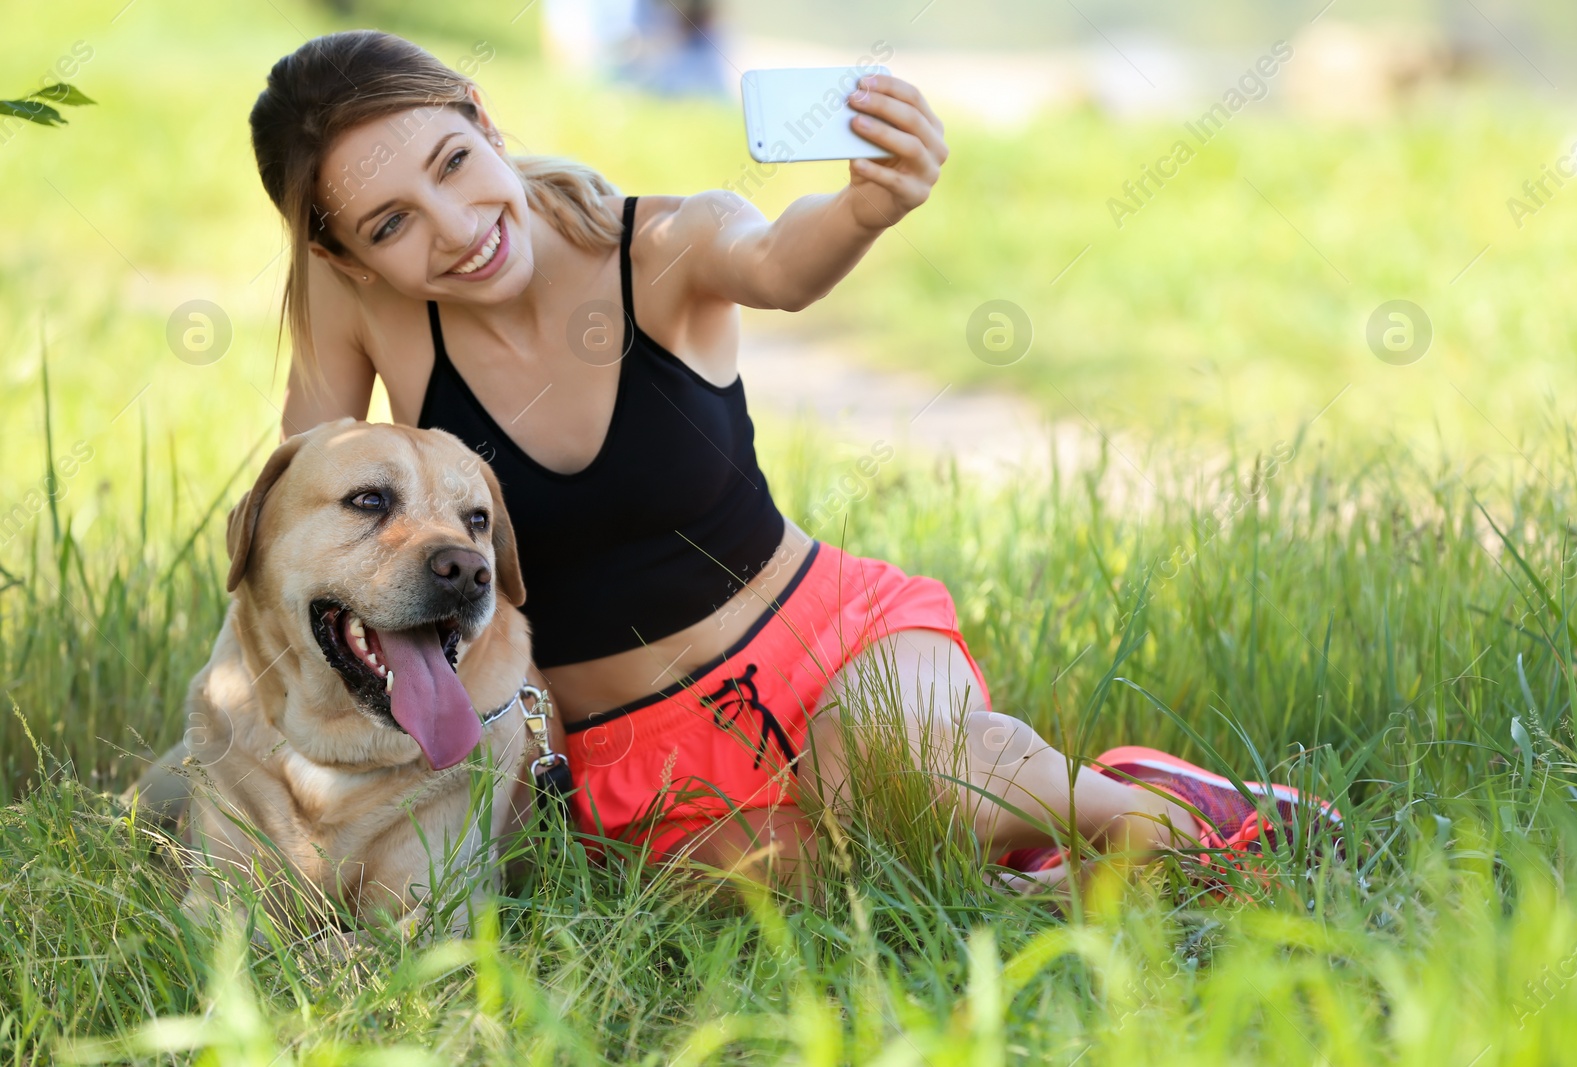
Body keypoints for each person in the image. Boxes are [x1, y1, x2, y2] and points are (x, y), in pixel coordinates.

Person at [248, 30, 1340, 892]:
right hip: (623, 751)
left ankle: (1158, 812)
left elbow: (778, 262)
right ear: (343, 253)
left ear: (485, 121)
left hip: (829, 649)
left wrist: (869, 205)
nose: (452, 226)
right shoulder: (370, 312)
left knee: (882, 784)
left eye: (454, 163)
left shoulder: (664, 243)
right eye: (392, 223)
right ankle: (1039, 847)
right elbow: (305, 523)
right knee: (834, 883)